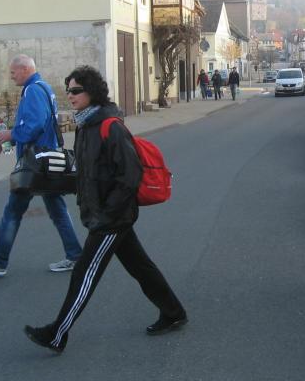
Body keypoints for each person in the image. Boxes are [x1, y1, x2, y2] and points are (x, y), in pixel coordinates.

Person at [24, 66, 187, 353]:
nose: (70, 95)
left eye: (76, 90)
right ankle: (174, 312)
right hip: (103, 214)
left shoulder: (110, 127)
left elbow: (130, 175)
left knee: (84, 274)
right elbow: (89, 171)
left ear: (92, 92)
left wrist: (108, 214)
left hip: (111, 219)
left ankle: (57, 334)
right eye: (68, 90)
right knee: (141, 267)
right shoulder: (84, 126)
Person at [0, 55, 83, 277]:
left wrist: (11, 134)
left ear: (24, 69)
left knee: (12, 212)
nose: (11, 77)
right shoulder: (43, 87)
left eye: (13, 72)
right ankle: (75, 255)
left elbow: (34, 125)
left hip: (35, 165)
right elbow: (39, 124)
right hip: (46, 162)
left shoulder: (32, 91)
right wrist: (9, 140)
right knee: (57, 210)